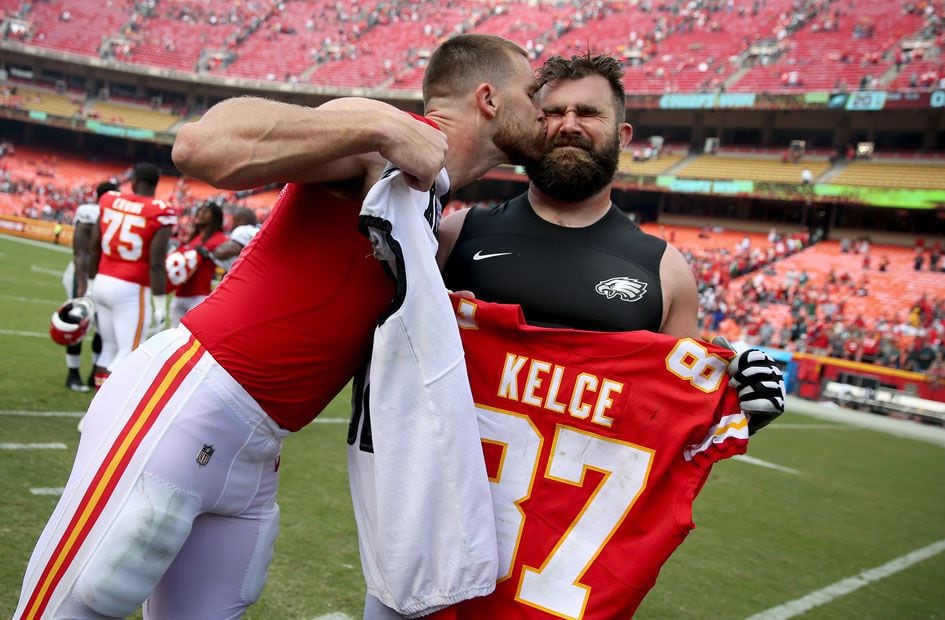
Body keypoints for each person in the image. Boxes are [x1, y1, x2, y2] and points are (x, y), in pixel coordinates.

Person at [15, 33, 545, 620]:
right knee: (74, 607)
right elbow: (201, 145)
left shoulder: (429, 199)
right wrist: (378, 129)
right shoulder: (381, 133)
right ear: (489, 99)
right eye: (533, 91)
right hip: (191, 403)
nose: (545, 107)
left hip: (258, 448)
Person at [412, 53, 784, 619]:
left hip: (559, 584)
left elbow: (669, 437)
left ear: (622, 133)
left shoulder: (666, 272)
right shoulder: (456, 235)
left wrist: (736, 407)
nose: (568, 124)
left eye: (588, 112)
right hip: (431, 555)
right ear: (529, 122)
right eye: (552, 111)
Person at [86, 163, 176, 388]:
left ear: (134, 182)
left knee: (108, 349)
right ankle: (104, 416)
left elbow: (95, 246)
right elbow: (156, 263)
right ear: (156, 184)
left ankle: (92, 415)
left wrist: (89, 283)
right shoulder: (161, 210)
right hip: (131, 288)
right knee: (127, 352)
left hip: (102, 280)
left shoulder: (109, 200)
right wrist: (159, 302)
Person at [60, 180, 117, 391]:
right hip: (82, 274)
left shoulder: (116, 215)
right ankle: (72, 374)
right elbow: (81, 254)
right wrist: (82, 287)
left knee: (104, 329)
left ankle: (95, 373)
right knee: (78, 322)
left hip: (105, 276)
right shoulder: (90, 213)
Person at [166, 201, 227, 326]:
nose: (200, 213)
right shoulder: (194, 237)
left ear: (215, 216)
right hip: (179, 294)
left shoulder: (220, 238)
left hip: (199, 296)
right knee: (174, 336)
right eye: (199, 210)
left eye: (205, 211)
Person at [211, 206, 260, 270]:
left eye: (234, 220)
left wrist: (211, 252)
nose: (232, 223)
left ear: (241, 221)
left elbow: (222, 252)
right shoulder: (259, 229)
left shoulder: (243, 229)